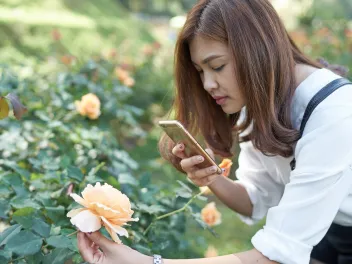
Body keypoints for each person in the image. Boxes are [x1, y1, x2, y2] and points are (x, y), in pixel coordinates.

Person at [77, 0, 352, 263]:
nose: (208, 84)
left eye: (217, 66)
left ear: (257, 50)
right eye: (200, 71)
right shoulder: (260, 103)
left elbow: (276, 256)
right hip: (327, 226)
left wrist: (151, 263)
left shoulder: (334, 113)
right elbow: (256, 200)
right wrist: (213, 178)